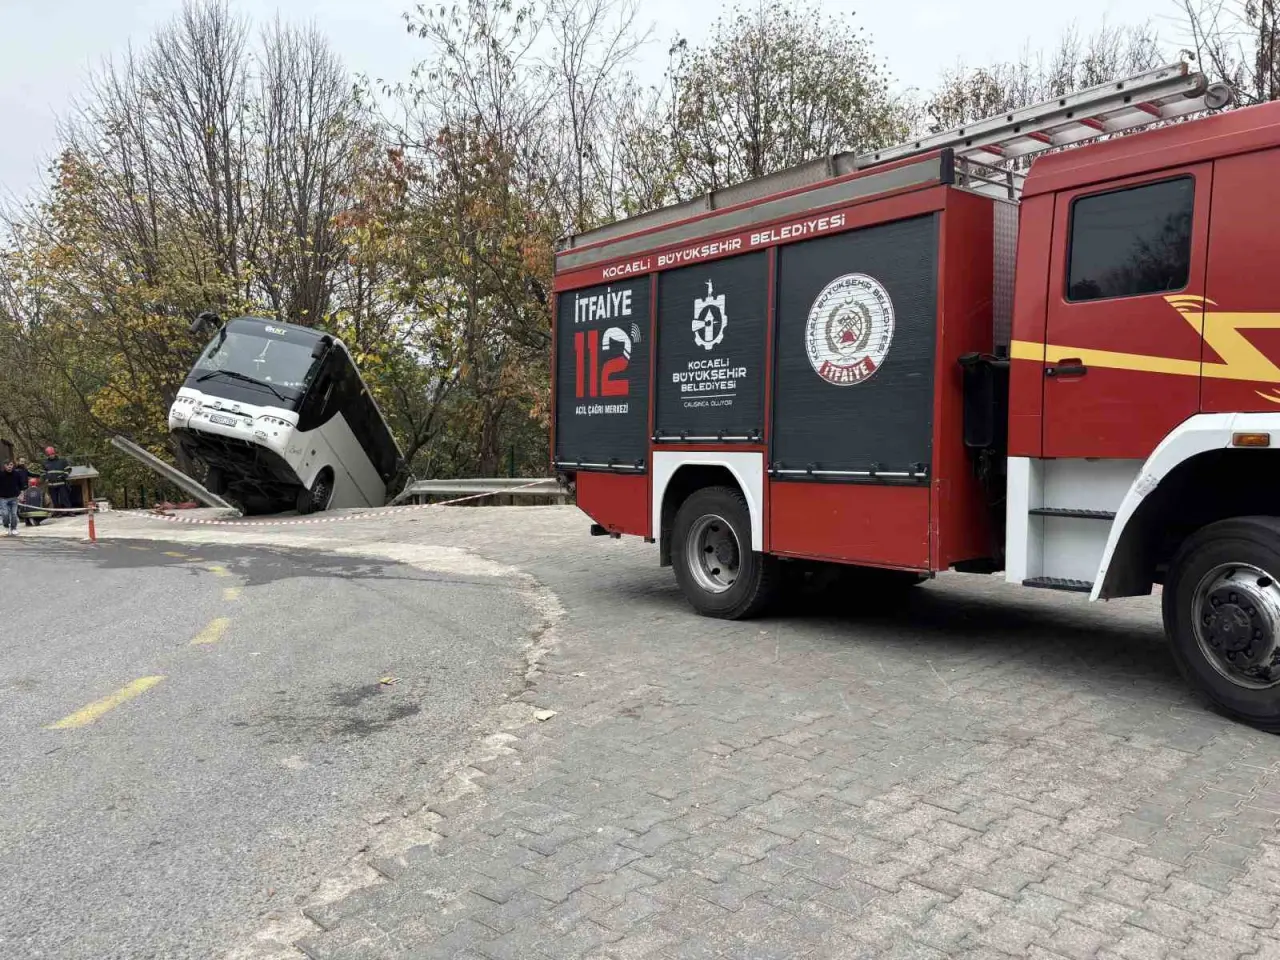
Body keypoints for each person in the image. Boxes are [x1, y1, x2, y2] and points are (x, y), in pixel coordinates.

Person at [44, 446, 70, 510]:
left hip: (61, 483)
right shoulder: (45, 462)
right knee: (54, 499)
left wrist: (64, 476)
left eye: (52, 454)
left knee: (64, 498)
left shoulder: (62, 461)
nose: (51, 456)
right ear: (47, 455)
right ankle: (58, 512)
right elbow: (43, 472)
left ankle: (69, 511)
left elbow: (68, 469)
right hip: (51, 484)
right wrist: (46, 478)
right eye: (49, 455)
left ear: (54, 453)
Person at [0, 461, 22, 535]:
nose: (9, 466)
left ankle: (14, 528)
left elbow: (20, 485)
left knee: (14, 514)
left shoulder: (16, 474)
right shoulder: (1, 474)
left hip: (14, 497)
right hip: (3, 498)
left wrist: (21, 494)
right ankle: (6, 527)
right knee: (5, 514)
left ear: (13, 466)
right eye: (7, 465)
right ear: (4, 466)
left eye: (11, 465)